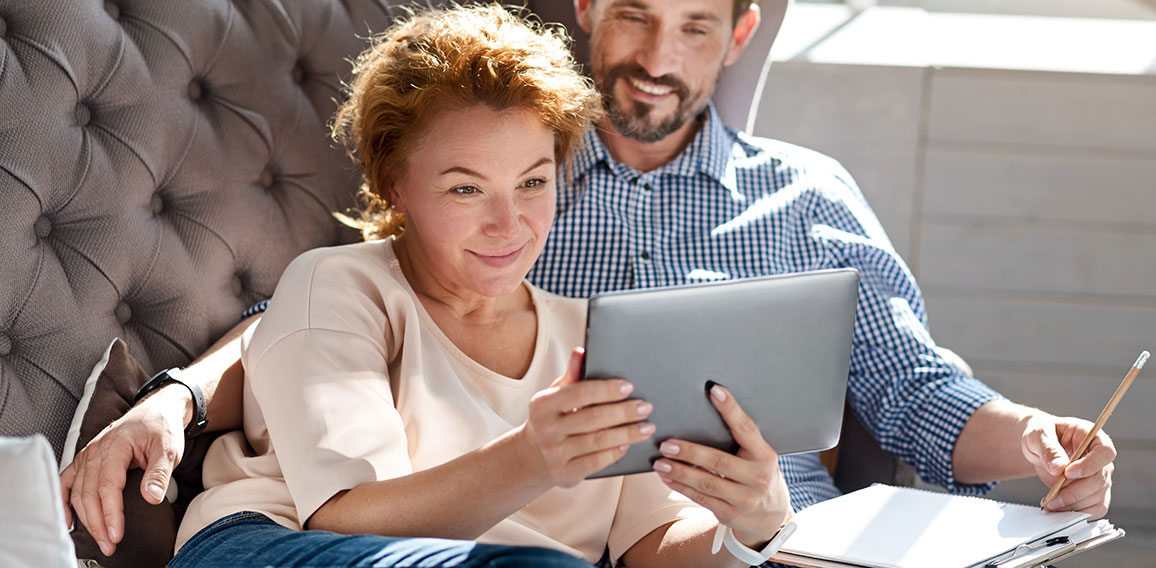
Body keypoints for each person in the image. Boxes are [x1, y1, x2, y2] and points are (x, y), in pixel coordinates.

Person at [61, 0, 1118, 561]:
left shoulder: (806, 195)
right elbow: (316, 317)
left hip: (767, 536)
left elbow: (912, 387)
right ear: (585, 8)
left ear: (736, 36)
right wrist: (181, 392)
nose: (657, 55)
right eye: (632, 15)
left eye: (694, 26)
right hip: (455, 529)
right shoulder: (506, 190)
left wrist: (1030, 438)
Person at [120, 5, 793, 567]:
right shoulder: (338, 286)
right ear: (395, 184)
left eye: (533, 182)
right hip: (277, 543)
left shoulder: (596, 335)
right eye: (466, 188)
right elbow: (342, 517)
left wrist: (756, 525)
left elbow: (653, 545)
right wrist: (531, 458)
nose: (508, 224)